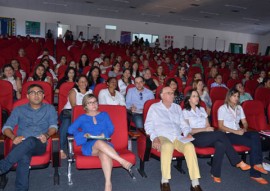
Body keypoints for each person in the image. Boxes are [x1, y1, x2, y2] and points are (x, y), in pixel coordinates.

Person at [183, 90, 251, 183]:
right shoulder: (185, 112)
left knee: (220, 144)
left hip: (206, 135)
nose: (197, 98)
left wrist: (207, 129)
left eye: (197, 96)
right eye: (194, 96)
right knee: (220, 133)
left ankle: (215, 173)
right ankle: (236, 160)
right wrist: (205, 130)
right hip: (195, 137)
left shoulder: (202, 110)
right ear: (188, 99)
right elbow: (188, 131)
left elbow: (207, 125)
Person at [68, 94, 133, 191]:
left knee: (104, 154)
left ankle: (108, 184)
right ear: (85, 106)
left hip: (105, 144)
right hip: (89, 146)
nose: (93, 104)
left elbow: (111, 129)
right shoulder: (82, 117)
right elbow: (70, 130)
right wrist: (83, 134)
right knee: (98, 142)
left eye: (95, 102)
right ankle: (121, 161)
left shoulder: (104, 115)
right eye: (90, 103)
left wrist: (105, 134)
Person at [0, 84, 58, 191]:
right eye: (33, 93)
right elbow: (6, 128)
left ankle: (3, 166)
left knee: (31, 140)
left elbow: (54, 127)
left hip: (39, 143)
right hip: (20, 143)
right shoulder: (19, 109)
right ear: (27, 96)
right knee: (24, 156)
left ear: (43, 95)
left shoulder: (50, 109)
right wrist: (13, 137)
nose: (36, 95)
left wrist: (47, 135)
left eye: (39, 92)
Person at [144, 86, 202, 191]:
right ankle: (164, 181)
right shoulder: (154, 107)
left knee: (189, 146)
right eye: (169, 93)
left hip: (177, 136)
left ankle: (195, 183)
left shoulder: (177, 107)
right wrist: (154, 138)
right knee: (167, 145)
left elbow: (183, 124)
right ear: (162, 95)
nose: (172, 95)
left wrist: (187, 132)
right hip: (162, 136)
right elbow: (148, 125)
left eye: (172, 93)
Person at [218, 88, 268, 185]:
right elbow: (220, 127)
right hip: (228, 134)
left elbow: (245, 122)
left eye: (238, 96)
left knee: (255, 134)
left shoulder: (239, 108)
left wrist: (244, 128)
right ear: (229, 96)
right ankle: (256, 172)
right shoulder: (222, 108)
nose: (236, 98)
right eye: (234, 96)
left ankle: (257, 165)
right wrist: (235, 131)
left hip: (239, 131)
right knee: (254, 143)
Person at [59, 75, 93, 159]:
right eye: (81, 81)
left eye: (85, 81)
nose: (83, 83)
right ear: (77, 83)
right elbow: (74, 106)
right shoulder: (73, 91)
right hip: (69, 112)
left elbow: (93, 105)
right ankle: (61, 149)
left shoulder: (90, 92)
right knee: (66, 124)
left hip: (85, 114)